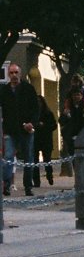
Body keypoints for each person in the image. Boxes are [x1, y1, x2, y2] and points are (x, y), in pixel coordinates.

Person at [1, 63, 40, 197]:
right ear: (8, 75)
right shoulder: (4, 91)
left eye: (16, 73)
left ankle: (28, 186)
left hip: (26, 130)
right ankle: (6, 184)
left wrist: (31, 123)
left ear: (20, 74)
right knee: (8, 157)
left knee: (28, 157)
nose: (14, 75)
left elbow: (36, 109)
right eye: (11, 73)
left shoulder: (28, 89)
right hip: (10, 130)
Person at [60, 87, 84, 158]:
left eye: (78, 95)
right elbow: (61, 121)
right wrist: (64, 114)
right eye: (74, 95)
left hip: (83, 134)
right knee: (73, 156)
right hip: (71, 135)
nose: (76, 97)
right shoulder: (67, 107)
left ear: (82, 96)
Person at [33, 95, 58, 187]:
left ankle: (49, 175)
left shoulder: (48, 113)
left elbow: (54, 126)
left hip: (46, 139)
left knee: (47, 159)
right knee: (34, 161)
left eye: (40, 101)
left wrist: (44, 125)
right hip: (35, 139)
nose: (39, 103)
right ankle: (36, 181)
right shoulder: (32, 113)